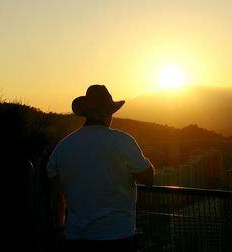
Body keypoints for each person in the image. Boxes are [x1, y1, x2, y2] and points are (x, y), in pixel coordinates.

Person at [46, 84, 155, 251]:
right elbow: (149, 179)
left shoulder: (62, 147)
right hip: (118, 236)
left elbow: (57, 193)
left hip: (76, 237)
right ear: (109, 114)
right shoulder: (123, 141)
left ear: (85, 114)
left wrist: (60, 228)